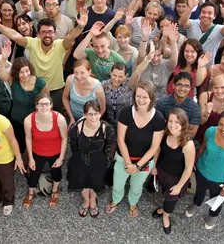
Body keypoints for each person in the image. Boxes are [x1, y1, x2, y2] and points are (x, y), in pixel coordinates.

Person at [0, 11, 88, 112]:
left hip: (56, 91)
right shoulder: (33, 43)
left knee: (56, 119)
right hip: (36, 90)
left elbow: (70, 37)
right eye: (43, 32)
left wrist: (80, 27)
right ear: (38, 34)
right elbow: (15, 35)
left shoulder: (60, 45)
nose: (47, 35)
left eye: (50, 32)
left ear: (55, 34)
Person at [106, 82, 165, 218]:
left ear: (151, 98)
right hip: (123, 158)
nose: (141, 100)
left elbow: (155, 147)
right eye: (138, 96)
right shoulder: (126, 112)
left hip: (143, 162)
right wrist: (128, 164)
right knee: (118, 184)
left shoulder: (158, 118)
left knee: (137, 186)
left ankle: (133, 202)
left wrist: (138, 166)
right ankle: (116, 200)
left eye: (145, 97)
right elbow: (120, 139)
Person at [186, 110, 224, 229]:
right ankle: (196, 204)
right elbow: (203, 147)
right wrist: (193, 163)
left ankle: (213, 215)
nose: (223, 128)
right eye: (221, 124)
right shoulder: (210, 131)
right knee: (199, 192)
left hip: (220, 180)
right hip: (202, 170)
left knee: (216, 200)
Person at [68, 100, 116, 217]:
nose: (94, 117)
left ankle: (93, 200)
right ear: (84, 115)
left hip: (99, 161)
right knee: (82, 181)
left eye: (96, 113)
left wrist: (106, 163)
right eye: (90, 114)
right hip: (80, 160)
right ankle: (86, 200)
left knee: (96, 181)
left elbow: (111, 147)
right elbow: (73, 147)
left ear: (100, 114)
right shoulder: (75, 128)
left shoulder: (107, 128)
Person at [151, 108, 196, 234]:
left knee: (170, 201)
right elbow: (158, 150)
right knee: (164, 195)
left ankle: (166, 216)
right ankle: (162, 209)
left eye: (177, 122)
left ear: (183, 124)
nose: (172, 125)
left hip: (177, 178)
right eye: (170, 121)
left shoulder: (188, 144)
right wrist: (154, 166)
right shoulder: (166, 134)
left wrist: (179, 186)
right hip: (162, 171)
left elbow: (188, 168)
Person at [0, 43, 47, 152]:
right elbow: (2, 75)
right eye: (21, 72)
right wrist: (4, 58)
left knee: (34, 145)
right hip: (17, 119)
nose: (25, 75)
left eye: (27, 71)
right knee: (20, 143)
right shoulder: (13, 81)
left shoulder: (40, 83)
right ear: (16, 73)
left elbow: (46, 101)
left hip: (34, 121)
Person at [22, 94, 68, 209]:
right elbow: (28, 138)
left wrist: (61, 157)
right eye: (40, 104)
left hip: (55, 152)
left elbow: (64, 138)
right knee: (33, 174)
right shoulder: (28, 120)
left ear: (51, 105)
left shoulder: (59, 118)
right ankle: (31, 192)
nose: (44, 107)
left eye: (46, 104)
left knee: (56, 173)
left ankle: (54, 190)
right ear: (36, 106)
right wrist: (31, 158)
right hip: (38, 152)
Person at [178, 0, 224, 64]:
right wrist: (189, 8)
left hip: (207, 68)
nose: (206, 15)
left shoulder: (218, 29)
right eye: (203, 12)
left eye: (210, 13)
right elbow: (182, 23)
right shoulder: (193, 23)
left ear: (214, 16)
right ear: (199, 14)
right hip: (189, 65)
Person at [102, 56, 150, 128]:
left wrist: (147, 59)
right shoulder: (104, 85)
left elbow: (137, 71)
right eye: (114, 75)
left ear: (126, 76)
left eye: (120, 76)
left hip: (126, 124)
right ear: (110, 73)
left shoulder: (129, 84)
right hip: (108, 124)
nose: (116, 79)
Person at [137, 23, 179, 100]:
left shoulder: (166, 65)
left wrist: (173, 41)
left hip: (161, 101)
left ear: (163, 55)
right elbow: (141, 55)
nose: (155, 58)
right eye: (153, 55)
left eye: (159, 55)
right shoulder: (144, 63)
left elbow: (174, 59)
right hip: (143, 99)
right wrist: (144, 38)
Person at [196, 74, 224, 143]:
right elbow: (201, 122)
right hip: (202, 135)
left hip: (220, 138)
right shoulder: (205, 96)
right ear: (212, 88)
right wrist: (207, 112)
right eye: (216, 88)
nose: (219, 91)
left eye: (223, 87)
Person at [155, 72, 201, 137]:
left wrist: (167, 124)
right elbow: (158, 127)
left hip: (183, 142)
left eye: (186, 86)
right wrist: (185, 127)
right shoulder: (162, 103)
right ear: (173, 86)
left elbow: (191, 134)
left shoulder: (195, 108)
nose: (182, 88)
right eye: (179, 84)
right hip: (163, 140)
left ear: (190, 88)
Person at [63, 59, 106, 126]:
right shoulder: (70, 80)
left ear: (89, 72)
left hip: (90, 120)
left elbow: (102, 109)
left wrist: (91, 121)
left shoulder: (97, 87)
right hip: (72, 117)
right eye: (76, 72)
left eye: (82, 73)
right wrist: (71, 118)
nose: (78, 76)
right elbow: (65, 98)